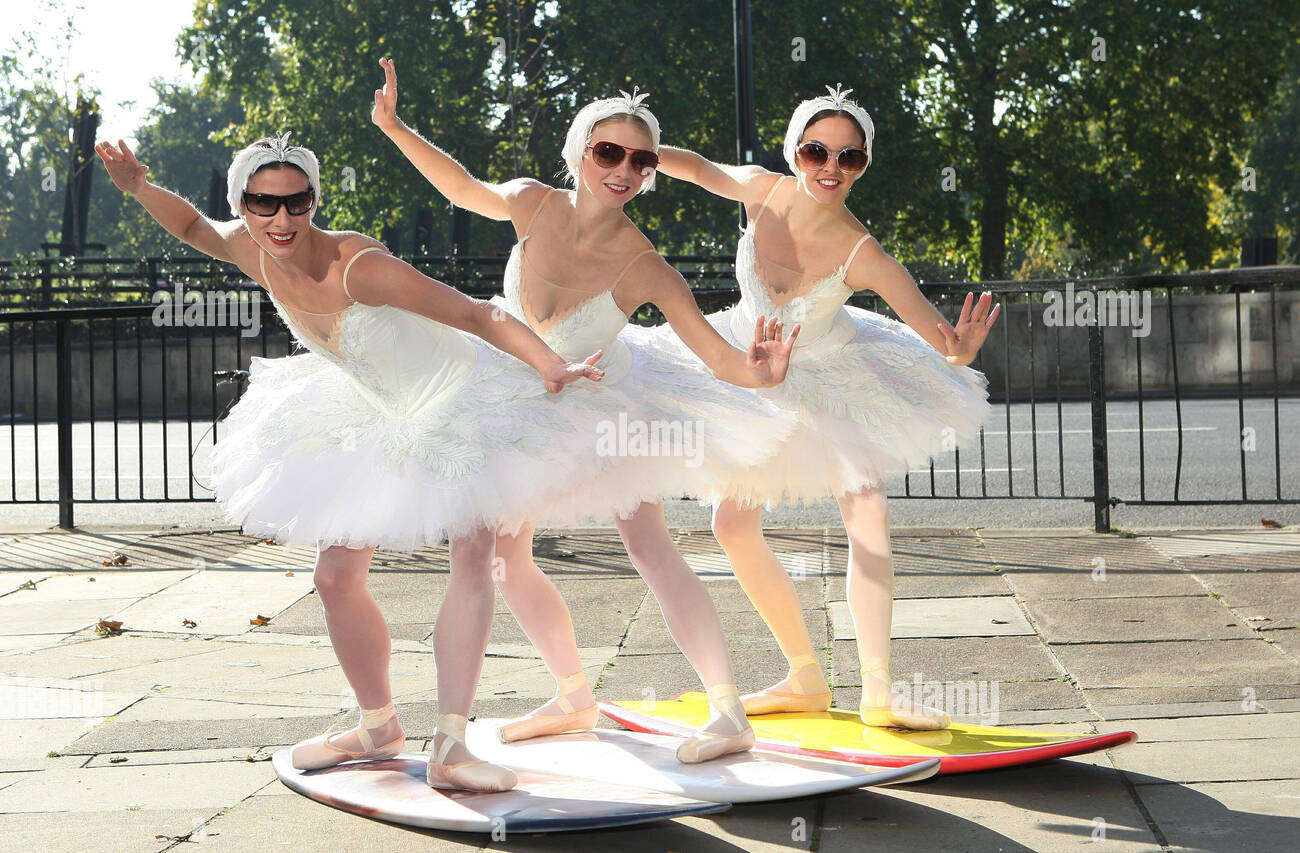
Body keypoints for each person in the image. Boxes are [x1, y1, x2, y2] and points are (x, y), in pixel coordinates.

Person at [96, 132, 609, 791]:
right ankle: (378, 726)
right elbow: (193, 224)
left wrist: (548, 362)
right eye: (263, 204)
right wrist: (139, 187)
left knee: (478, 556)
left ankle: (453, 745)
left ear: (314, 199)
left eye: (296, 202)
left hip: (461, 401)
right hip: (374, 407)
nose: (282, 219)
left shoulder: (358, 266)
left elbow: (477, 314)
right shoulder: (251, 248)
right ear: (244, 203)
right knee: (336, 577)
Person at [373, 58, 800, 762]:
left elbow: (715, 357)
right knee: (506, 557)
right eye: (609, 151)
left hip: (604, 398)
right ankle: (575, 696)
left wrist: (761, 374)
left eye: (641, 159)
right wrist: (394, 127)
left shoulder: (645, 265)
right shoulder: (533, 202)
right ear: (580, 152)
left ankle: (729, 711)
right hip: (516, 382)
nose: (624, 169)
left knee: (647, 544)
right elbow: (458, 186)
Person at [649, 85, 999, 730]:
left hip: (835, 375)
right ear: (796, 151)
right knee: (731, 525)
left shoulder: (861, 252)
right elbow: (696, 167)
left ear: (863, 164)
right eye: (816, 152)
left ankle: (879, 689)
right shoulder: (763, 190)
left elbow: (944, 344)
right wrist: (638, 147)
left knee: (866, 510)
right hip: (755, 362)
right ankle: (805, 676)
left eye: (849, 158)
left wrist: (962, 348)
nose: (831, 168)